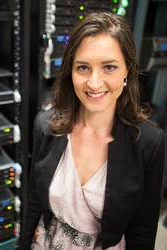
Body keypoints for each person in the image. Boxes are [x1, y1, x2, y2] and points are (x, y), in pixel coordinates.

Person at [21, 11, 165, 249]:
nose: (94, 83)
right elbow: (35, 201)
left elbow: (142, 229)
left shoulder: (149, 142)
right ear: (71, 71)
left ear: (127, 71)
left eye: (109, 67)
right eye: (83, 68)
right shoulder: (45, 126)